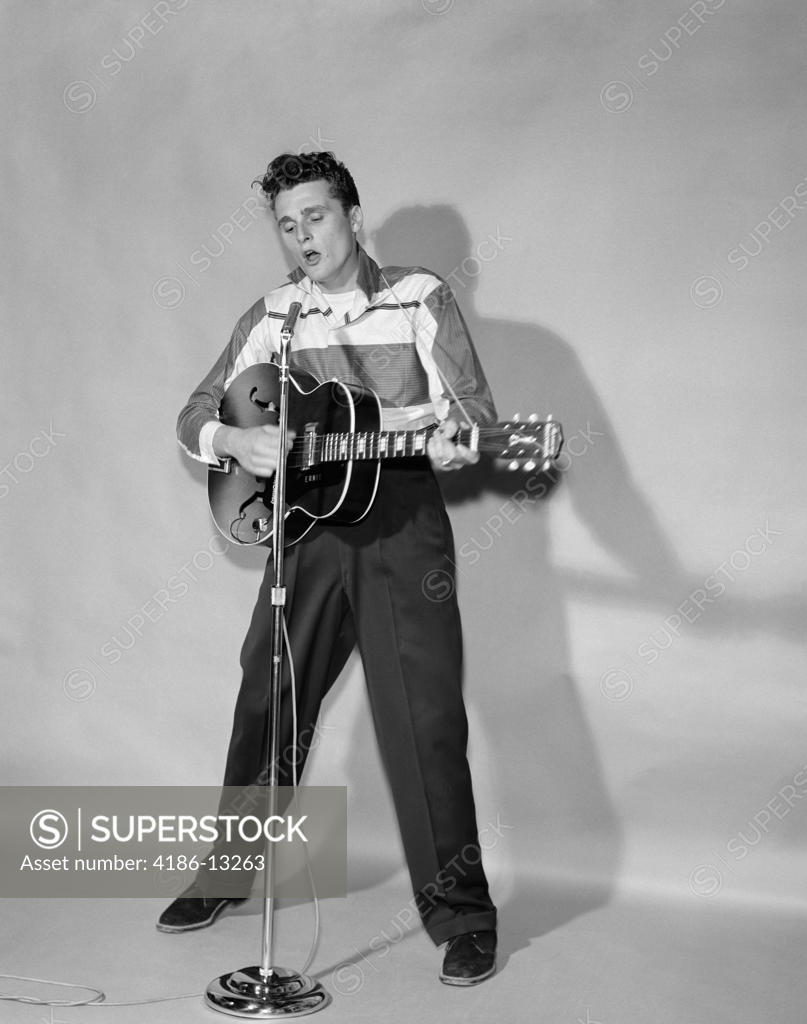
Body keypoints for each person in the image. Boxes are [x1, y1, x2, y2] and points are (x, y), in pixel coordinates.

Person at [159, 151, 498, 986]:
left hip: (400, 522)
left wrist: (457, 443)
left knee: (421, 722)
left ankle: (461, 915)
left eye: (314, 216)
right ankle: (226, 874)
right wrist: (237, 440)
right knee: (266, 698)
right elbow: (198, 412)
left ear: (351, 215)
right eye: (285, 223)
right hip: (305, 528)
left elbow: (475, 417)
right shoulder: (273, 315)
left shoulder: (419, 296)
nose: (301, 234)